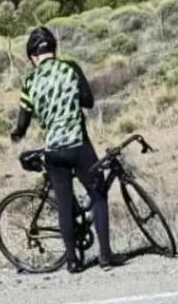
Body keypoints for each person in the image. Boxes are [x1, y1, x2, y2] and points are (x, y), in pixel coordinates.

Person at [10, 26, 121, 274]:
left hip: (54, 150)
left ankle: (72, 261)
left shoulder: (29, 82)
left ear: (32, 57)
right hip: (78, 144)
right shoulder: (70, 68)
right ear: (54, 50)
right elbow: (88, 101)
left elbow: (22, 123)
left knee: (64, 204)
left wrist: (17, 134)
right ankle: (105, 256)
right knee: (98, 194)